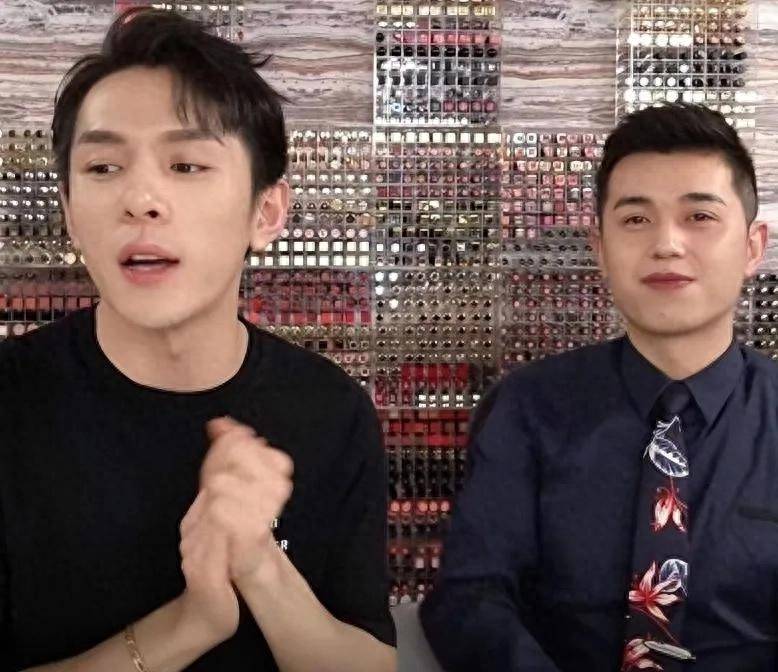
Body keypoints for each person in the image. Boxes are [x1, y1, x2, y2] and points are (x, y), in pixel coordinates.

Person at [0, 8, 396, 672]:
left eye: (186, 165)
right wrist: (192, 622)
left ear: (265, 212)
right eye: (103, 167)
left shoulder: (331, 411)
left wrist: (259, 566)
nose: (141, 198)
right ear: (68, 212)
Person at [420, 102, 776, 671]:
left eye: (699, 216)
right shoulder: (529, 408)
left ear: (753, 247)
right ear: (600, 249)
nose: (667, 244)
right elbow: (470, 597)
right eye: (636, 219)